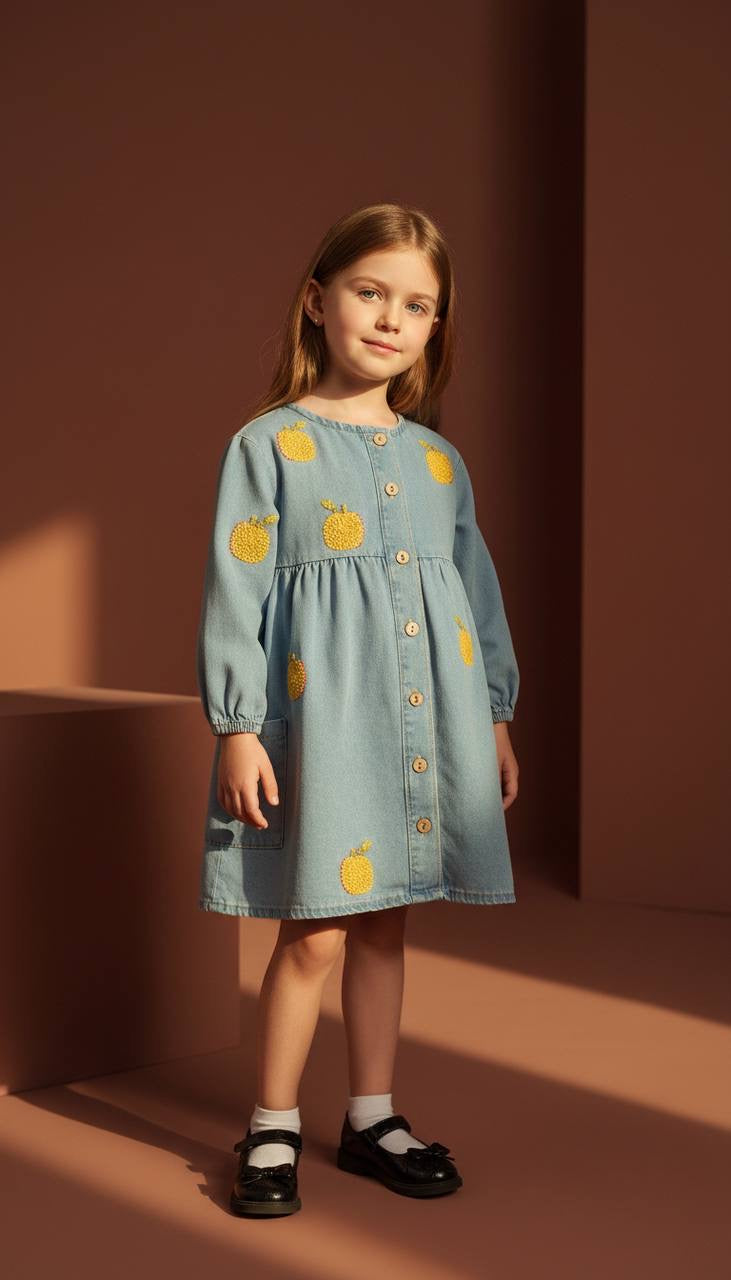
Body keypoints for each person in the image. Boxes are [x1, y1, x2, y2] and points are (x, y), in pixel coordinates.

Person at [195, 202, 520, 1217]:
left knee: (385, 922)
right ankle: (272, 1123)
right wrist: (236, 724)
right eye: (369, 292)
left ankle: (372, 1115)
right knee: (315, 931)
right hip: (327, 723)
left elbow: (472, 589)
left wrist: (495, 713)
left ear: (434, 327)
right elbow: (237, 585)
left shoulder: (437, 462)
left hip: (426, 721)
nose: (389, 319)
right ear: (316, 299)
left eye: (415, 305)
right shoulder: (268, 446)